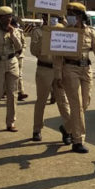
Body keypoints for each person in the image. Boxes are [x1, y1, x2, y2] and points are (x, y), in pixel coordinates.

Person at [54, 2, 95, 154]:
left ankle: (67, 127)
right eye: (68, 14)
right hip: (70, 69)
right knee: (77, 105)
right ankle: (78, 140)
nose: (69, 17)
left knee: (85, 103)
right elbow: (58, 57)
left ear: (80, 16)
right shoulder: (64, 32)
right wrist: (58, 75)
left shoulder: (90, 32)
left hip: (86, 69)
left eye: (72, 15)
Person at [30, 14, 72, 143]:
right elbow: (34, 51)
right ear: (44, 17)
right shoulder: (38, 32)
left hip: (60, 70)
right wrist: (46, 35)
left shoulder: (62, 29)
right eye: (50, 16)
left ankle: (68, 130)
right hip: (44, 69)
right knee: (41, 101)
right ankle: (37, 129)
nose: (53, 19)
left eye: (55, 16)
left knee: (63, 101)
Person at [12, 16, 28, 101]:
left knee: (19, 75)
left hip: (19, 56)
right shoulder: (6, 32)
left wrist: (22, 51)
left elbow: (24, 43)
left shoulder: (19, 32)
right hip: (10, 57)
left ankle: (21, 92)